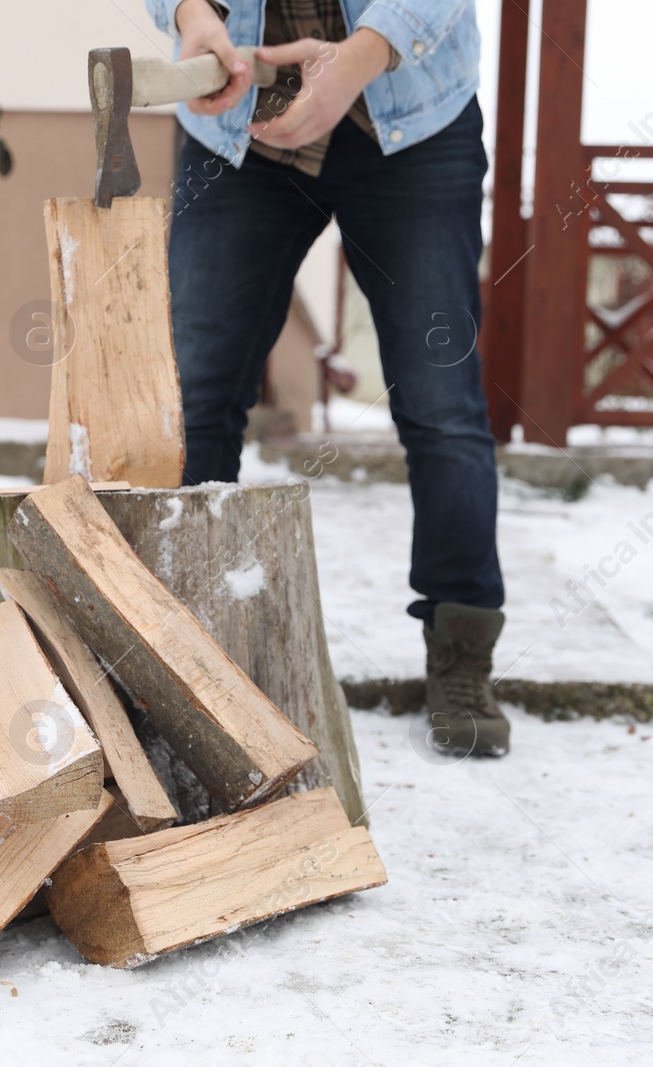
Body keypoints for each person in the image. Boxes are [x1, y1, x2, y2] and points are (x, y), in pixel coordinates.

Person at [145, 0, 510, 756]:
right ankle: (174, 652)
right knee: (194, 397)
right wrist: (192, 17)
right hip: (242, 127)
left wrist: (366, 55)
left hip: (410, 121)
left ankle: (463, 657)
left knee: (442, 405)